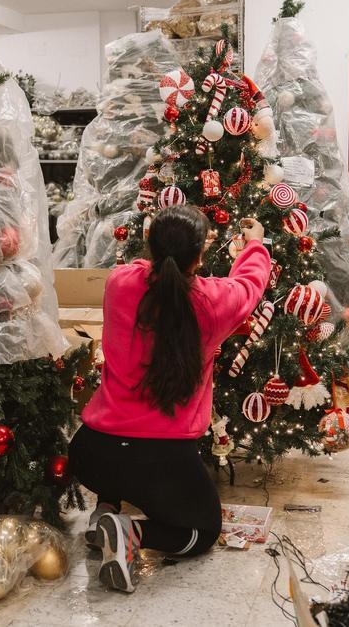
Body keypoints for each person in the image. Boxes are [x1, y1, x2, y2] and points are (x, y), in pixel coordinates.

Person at [69, 204, 271, 593]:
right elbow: (249, 285)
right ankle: (131, 534)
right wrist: (255, 244)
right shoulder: (214, 302)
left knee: (118, 464)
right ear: (200, 255)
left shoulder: (119, 283)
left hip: (92, 453)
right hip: (159, 462)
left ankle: (105, 512)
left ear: (149, 244)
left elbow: (145, 273)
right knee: (202, 531)